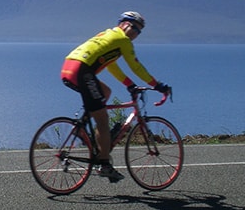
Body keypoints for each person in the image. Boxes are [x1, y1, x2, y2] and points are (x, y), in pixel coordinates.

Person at [61, 11, 170, 182]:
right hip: (82, 72)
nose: (135, 34)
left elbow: (111, 66)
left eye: (139, 32)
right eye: (134, 28)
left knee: (105, 93)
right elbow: (136, 66)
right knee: (103, 120)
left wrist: (129, 85)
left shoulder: (109, 35)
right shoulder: (123, 40)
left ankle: (82, 129)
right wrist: (157, 85)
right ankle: (104, 165)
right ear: (125, 24)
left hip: (70, 68)